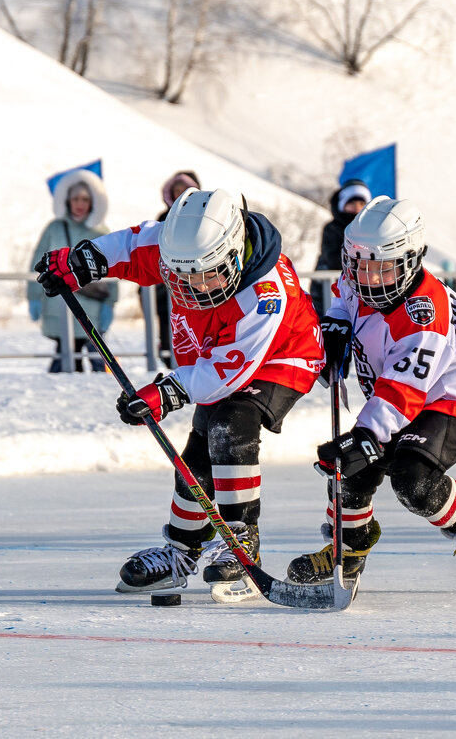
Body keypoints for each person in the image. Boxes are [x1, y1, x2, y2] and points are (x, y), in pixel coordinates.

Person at [34, 188, 325, 593]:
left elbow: (226, 372)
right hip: (215, 352)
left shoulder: (266, 294)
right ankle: (181, 550)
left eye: (208, 275)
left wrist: (163, 393)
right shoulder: (179, 246)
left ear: (235, 254)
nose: (194, 287)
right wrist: (84, 262)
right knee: (198, 453)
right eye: (181, 276)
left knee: (231, 422)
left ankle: (241, 539)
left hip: (282, 356)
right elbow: (131, 246)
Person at [285, 196, 456, 592]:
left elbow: (404, 390)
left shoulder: (425, 315)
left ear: (411, 261)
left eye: (382, 269)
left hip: (455, 400)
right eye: (360, 266)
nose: (367, 278)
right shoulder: (358, 278)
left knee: (411, 479)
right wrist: (334, 327)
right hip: (399, 395)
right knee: (351, 469)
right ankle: (347, 551)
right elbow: (342, 296)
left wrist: (368, 436)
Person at [27, 169, 118, 372]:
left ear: (93, 202)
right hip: (60, 303)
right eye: (75, 198)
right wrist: (32, 296)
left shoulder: (101, 231)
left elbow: (114, 267)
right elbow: (37, 262)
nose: (79, 204)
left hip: (92, 307)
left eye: (85, 199)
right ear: (67, 200)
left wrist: (111, 303)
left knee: (97, 361)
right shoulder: (54, 228)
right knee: (66, 354)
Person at [151, 170, 202, 366]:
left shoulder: (203, 218)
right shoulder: (164, 217)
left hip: (196, 287)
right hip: (167, 289)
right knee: (169, 334)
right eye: (176, 190)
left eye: (185, 190)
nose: (180, 195)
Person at [310, 179, 371, 316]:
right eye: (352, 203)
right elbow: (332, 258)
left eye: (361, 203)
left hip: (362, 286)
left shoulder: (369, 230)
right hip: (328, 286)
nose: (357, 207)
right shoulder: (332, 228)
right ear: (342, 204)